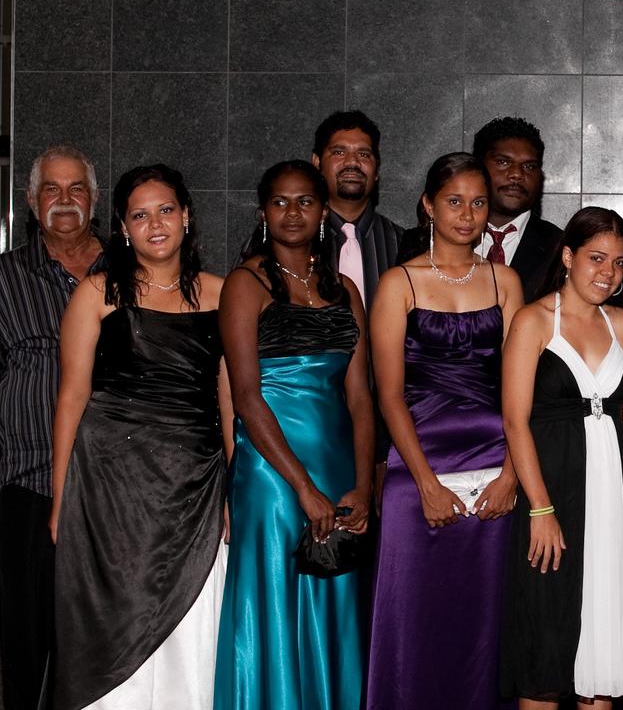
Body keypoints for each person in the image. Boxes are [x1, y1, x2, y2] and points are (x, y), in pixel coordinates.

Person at [49, 164, 230, 710]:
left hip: (194, 486)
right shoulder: (97, 294)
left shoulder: (226, 294)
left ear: (187, 217)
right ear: (123, 229)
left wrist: (233, 490)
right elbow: (71, 398)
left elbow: (232, 403)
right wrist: (61, 498)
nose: (155, 224)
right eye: (140, 214)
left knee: (190, 626)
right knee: (113, 612)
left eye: (166, 210)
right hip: (110, 488)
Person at [365, 152, 524, 709]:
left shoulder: (506, 281)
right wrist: (426, 483)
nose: (468, 214)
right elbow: (388, 395)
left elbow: (519, 393)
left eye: (478, 202)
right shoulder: (397, 283)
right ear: (428, 205)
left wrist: (513, 476)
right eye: (454, 201)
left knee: (484, 618)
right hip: (417, 466)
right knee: (416, 613)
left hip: (496, 465)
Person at [214, 160, 373, 710]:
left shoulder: (346, 289)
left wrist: (362, 484)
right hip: (272, 471)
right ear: (262, 213)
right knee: (277, 601)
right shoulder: (245, 283)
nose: (292, 212)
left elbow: (360, 397)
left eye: (305, 201)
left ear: (324, 211)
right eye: (279, 202)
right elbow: (246, 396)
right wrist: (303, 487)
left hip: (335, 465)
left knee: (336, 598)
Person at [500, 206, 623, 708]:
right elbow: (514, 422)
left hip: (617, 497)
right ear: (568, 256)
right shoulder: (533, 320)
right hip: (554, 496)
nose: (607, 273)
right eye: (595, 258)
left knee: (603, 656)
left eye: (618, 262)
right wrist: (540, 508)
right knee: (544, 652)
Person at [0, 143, 106, 710]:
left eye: (77, 189)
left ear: (95, 200)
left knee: (103, 646)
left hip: (114, 493)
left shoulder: (131, 274)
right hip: (27, 491)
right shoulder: (4, 279)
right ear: (30, 201)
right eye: (51, 189)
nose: (64, 201)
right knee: (27, 646)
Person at [312, 109, 404, 312]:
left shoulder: (404, 246)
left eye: (363, 154)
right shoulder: (289, 242)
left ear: (377, 170)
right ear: (317, 163)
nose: (352, 162)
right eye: (339, 152)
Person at [472, 117, 563, 302]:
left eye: (529, 166)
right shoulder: (429, 242)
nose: (517, 174)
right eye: (503, 162)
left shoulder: (561, 248)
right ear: (477, 168)